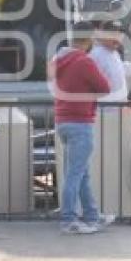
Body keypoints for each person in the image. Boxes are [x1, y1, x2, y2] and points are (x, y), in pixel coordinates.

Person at [49, 21, 111, 234]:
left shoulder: (58, 59)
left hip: (62, 120)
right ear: (88, 39)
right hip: (80, 122)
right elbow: (105, 87)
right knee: (75, 174)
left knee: (80, 173)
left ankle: (93, 216)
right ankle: (68, 220)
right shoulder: (84, 61)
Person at [90, 19, 131, 103]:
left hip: (119, 108)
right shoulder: (95, 55)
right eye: (112, 34)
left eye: (119, 34)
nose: (117, 37)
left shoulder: (115, 53)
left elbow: (120, 69)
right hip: (104, 110)